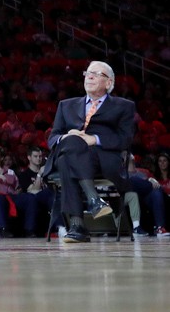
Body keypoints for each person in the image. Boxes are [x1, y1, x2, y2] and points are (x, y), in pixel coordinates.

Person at [42, 61, 137, 244]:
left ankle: (78, 227)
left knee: (65, 161)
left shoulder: (123, 106)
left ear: (108, 83)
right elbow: (53, 138)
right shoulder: (66, 105)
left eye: (96, 74)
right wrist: (69, 137)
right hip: (73, 153)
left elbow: (125, 140)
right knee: (70, 144)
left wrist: (95, 139)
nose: (90, 76)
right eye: (88, 73)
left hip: (103, 159)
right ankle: (94, 200)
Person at [16, 145, 63, 236]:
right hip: (33, 200)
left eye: (40, 156)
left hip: (48, 199)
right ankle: (60, 226)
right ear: (29, 157)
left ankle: (61, 227)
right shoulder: (24, 174)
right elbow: (34, 190)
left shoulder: (47, 172)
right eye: (36, 156)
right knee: (48, 193)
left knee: (56, 195)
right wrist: (39, 174)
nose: (39, 159)